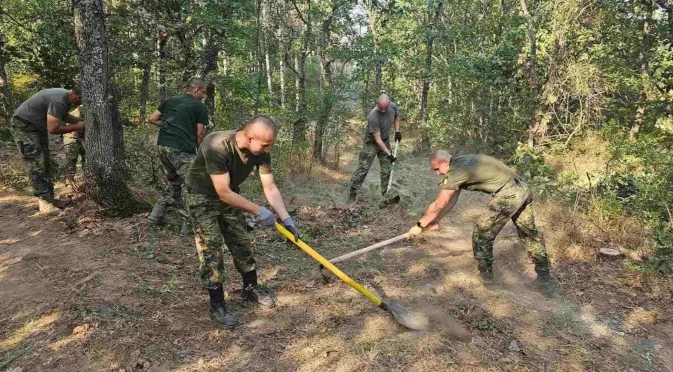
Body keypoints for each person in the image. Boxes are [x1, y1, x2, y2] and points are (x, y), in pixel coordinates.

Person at [183, 115, 300, 329]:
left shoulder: (261, 152)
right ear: (250, 136)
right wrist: (259, 211)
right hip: (201, 196)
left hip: (230, 195)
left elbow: (270, 187)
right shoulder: (217, 145)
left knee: (241, 242)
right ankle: (217, 304)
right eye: (265, 144)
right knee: (211, 249)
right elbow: (223, 192)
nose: (267, 149)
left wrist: (287, 219)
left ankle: (250, 289)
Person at [407, 150, 557, 294]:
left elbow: (440, 203)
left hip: (509, 193)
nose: (437, 173)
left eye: (437, 169)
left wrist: (420, 225)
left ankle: (487, 281)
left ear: (445, 162)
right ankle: (545, 281)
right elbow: (451, 201)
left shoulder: (456, 171)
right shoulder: (461, 163)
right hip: (522, 188)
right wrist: (435, 220)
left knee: (482, 233)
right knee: (529, 234)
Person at [147, 78, 209, 236]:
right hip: (182, 149)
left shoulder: (169, 101)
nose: (204, 95)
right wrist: (198, 150)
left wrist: (170, 126)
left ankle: (155, 216)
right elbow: (200, 133)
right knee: (192, 185)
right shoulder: (199, 107)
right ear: (196, 90)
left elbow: (152, 118)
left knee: (174, 182)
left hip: (163, 147)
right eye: (203, 92)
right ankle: (187, 228)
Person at [9, 87, 85, 215]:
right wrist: (78, 126)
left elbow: (64, 116)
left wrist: (80, 121)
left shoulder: (63, 97)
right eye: (80, 100)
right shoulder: (59, 100)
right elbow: (53, 129)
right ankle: (45, 204)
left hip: (36, 128)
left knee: (45, 162)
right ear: (76, 95)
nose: (79, 103)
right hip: (25, 127)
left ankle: (50, 199)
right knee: (37, 163)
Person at [348, 94, 401, 202]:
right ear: (377, 104)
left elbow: (396, 117)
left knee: (387, 168)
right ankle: (352, 194)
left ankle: (385, 196)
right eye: (380, 108)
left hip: (385, 140)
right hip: (371, 143)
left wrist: (397, 131)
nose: (382, 111)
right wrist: (389, 154)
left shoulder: (393, 107)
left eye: (385, 108)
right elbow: (377, 140)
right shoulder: (373, 116)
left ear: (389, 104)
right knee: (363, 168)